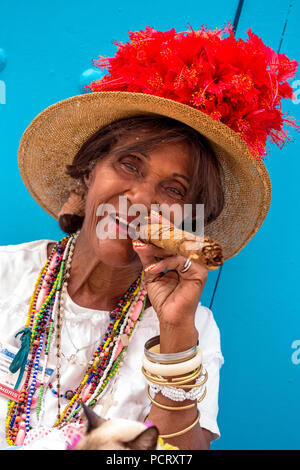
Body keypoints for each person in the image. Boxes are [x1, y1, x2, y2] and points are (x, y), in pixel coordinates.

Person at [0, 23, 297, 450]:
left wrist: (175, 331)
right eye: (129, 165)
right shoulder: (7, 275)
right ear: (88, 171)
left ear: (187, 223)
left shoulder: (194, 330)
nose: (141, 199)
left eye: (174, 190)